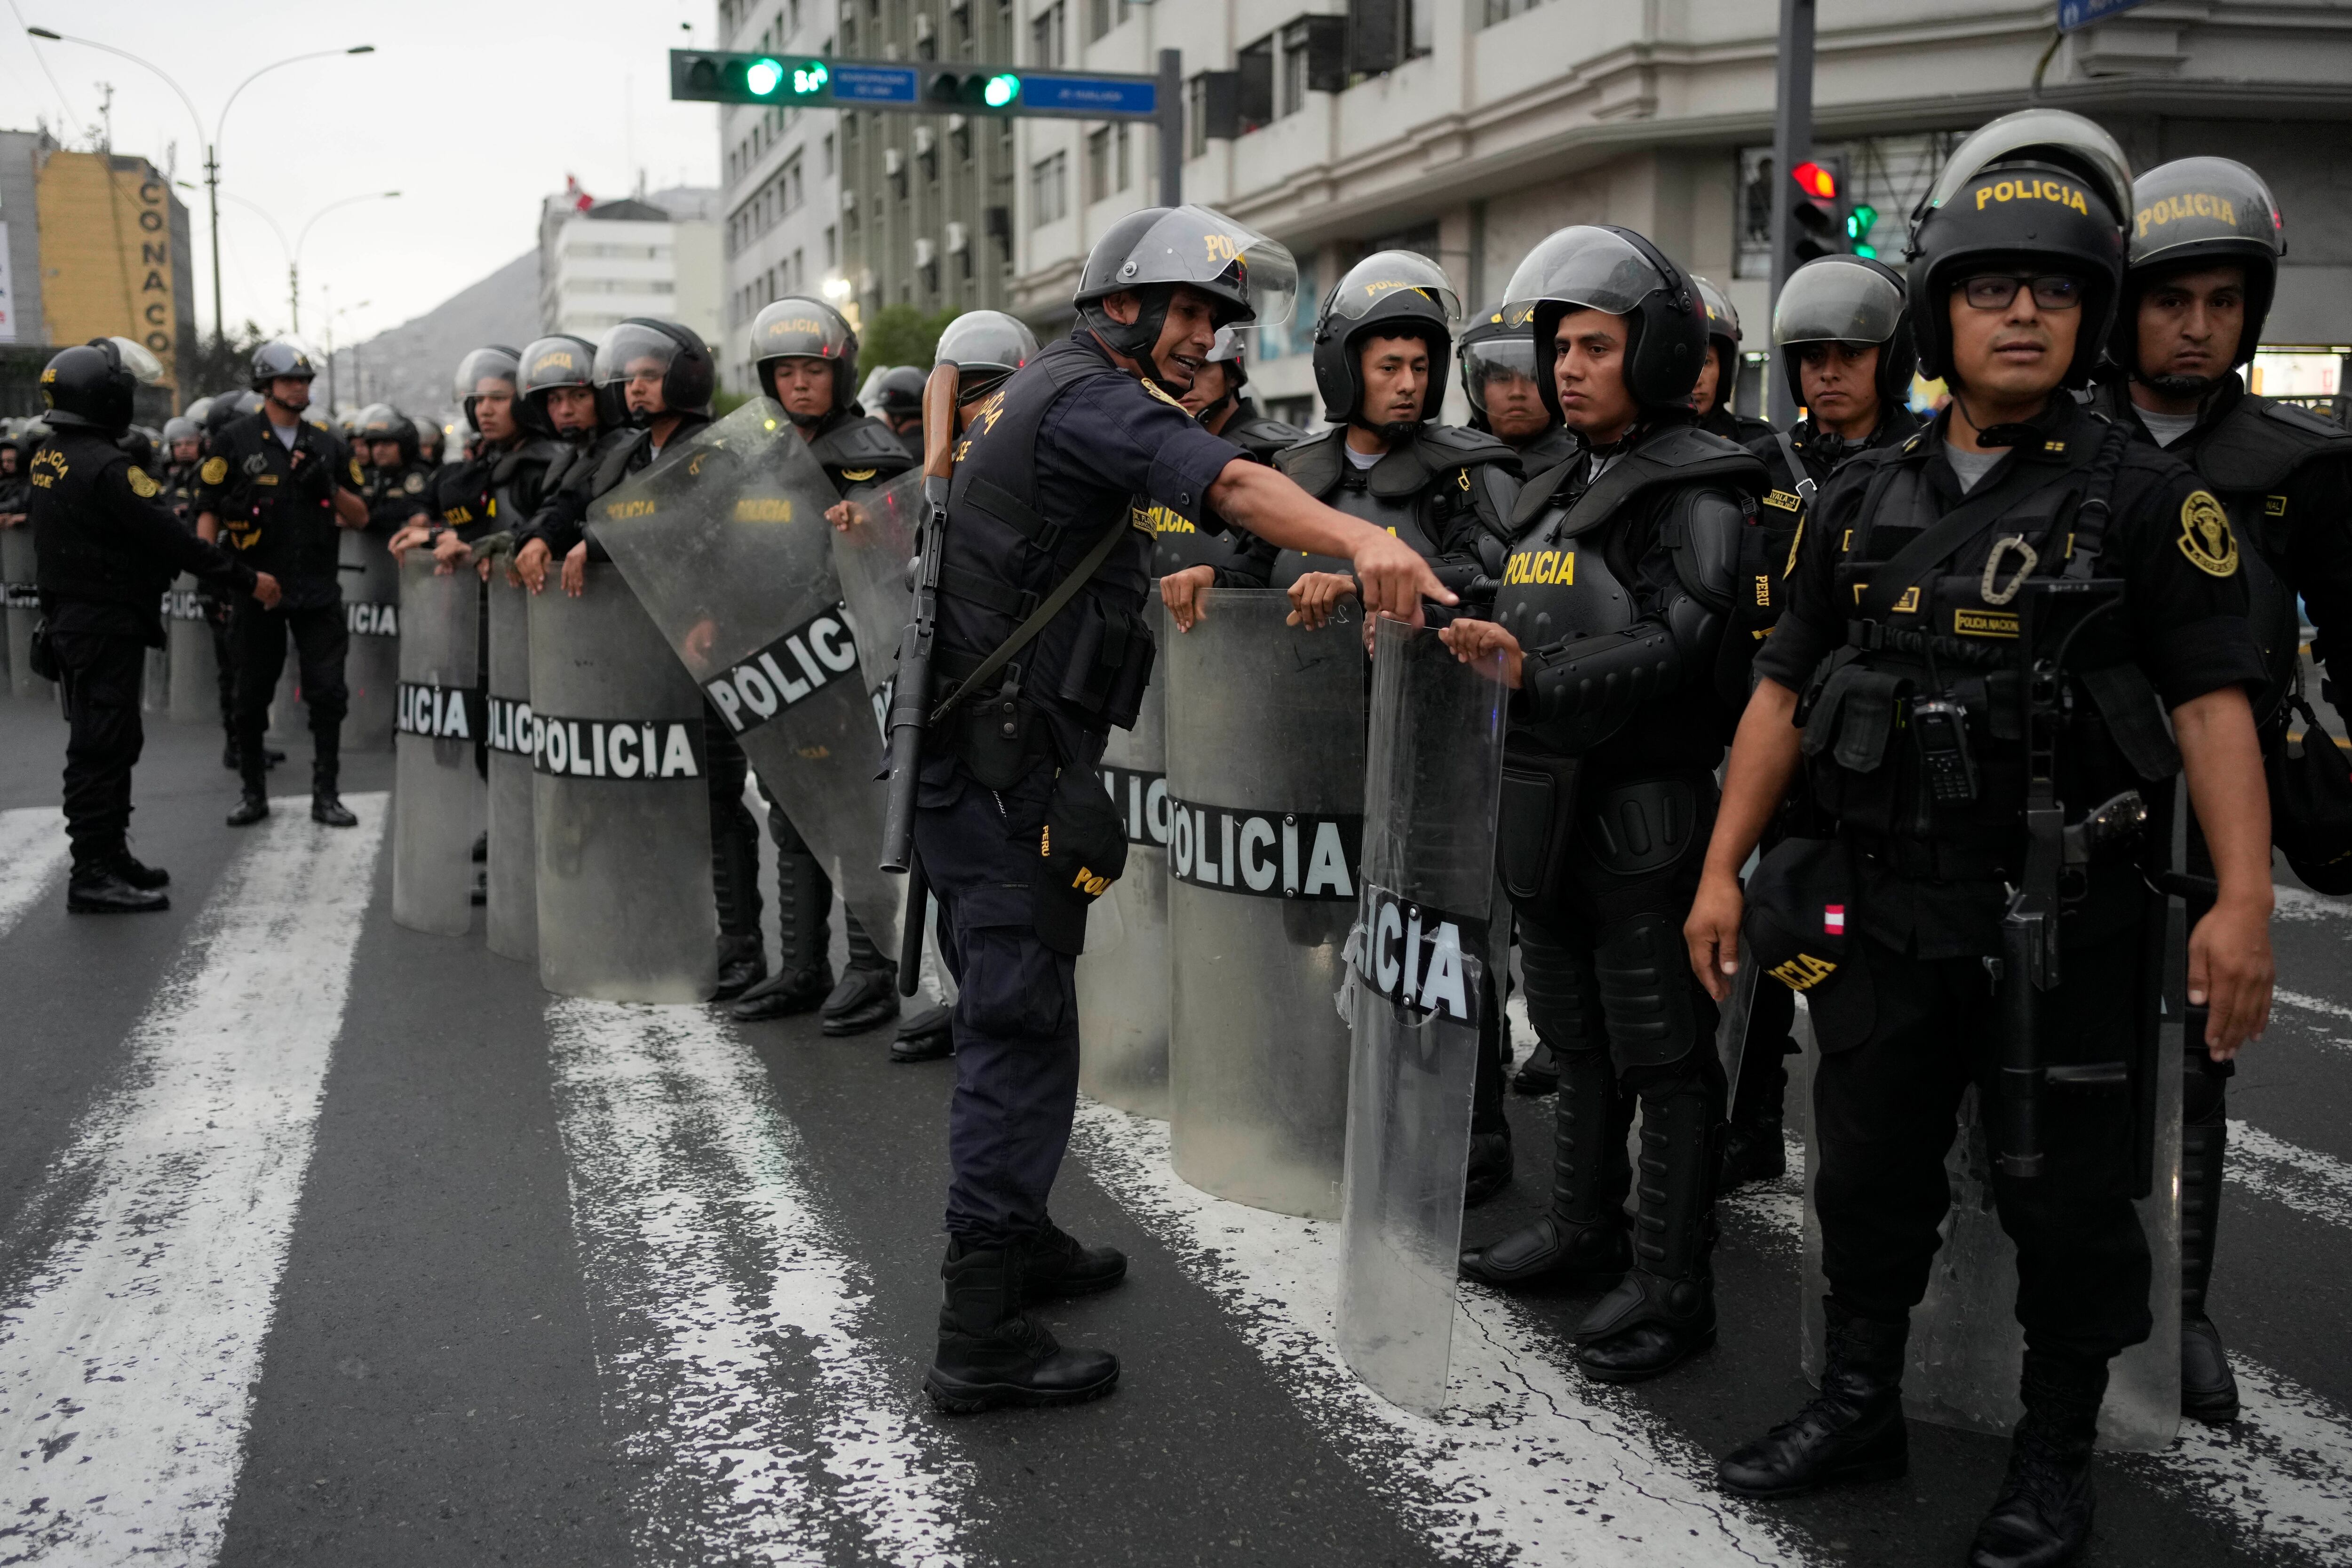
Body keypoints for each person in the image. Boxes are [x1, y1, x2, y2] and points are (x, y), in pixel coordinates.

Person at [1686, 112, 2274, 1568]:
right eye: (1991, 286)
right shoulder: (1856, 494)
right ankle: (1854, 1401)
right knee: (1868, 1167)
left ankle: (2054, 1452)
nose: (2022, 313)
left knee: (2066, 1200)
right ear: (1937, 309)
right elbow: (1779, 689)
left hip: (2066, 918)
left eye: (2056, 290)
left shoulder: (2145, 497)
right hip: (1883, 906)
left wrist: (2242, 904)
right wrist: (1719, 865)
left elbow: (2212, 710)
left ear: (2090, 316)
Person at [910, 204, 1451, 1413]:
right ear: (1122, 306)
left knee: (1034, 1019)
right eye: (1191, 312)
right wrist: (1367, 543)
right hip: (1004, 776)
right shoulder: (1089, 396)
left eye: (1218, 321)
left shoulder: (1037, 390)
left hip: (994, 767)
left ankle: (1021, 1232)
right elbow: (1239, 484)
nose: (1207, 340)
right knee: (1013, 1026)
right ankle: (979, 1325)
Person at [1444, 225, 1768, 1385]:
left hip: (1647, 809)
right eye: (1557, 347)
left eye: (1594, 345)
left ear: (1657, 346)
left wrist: (1537, 675)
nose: (1565, 368)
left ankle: (1671, 1285)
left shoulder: (1705, 483)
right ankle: (1582, 1231)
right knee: (1569, 1037)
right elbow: (1503, 598)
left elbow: (1685, 635)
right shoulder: (1554, 485)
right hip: (1548, 805)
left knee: (1663, 1055)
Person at [2087, 154, 2352, 1428]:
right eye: (2168, 299)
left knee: (2192, 1078)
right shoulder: (2061, 445)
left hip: (2210, 825)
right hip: (2071, 814)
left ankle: (2178, 1311)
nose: (2197, 327)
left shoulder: (2304, 472)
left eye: (2222, 302)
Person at [1715, 254, 1925, 1191]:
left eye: (1850, 354)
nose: (1827, 374)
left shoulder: (1924, 468)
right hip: (1771, 737)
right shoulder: (1759, 461)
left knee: (1866, 967)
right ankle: (1749, 1124)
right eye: (1810, 357)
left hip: (1875, 753)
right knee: (1766, 931)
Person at [556, 318, 770, 1000]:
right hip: (640, 650)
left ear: (684, 377)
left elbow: (702, 533)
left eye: (651, 376)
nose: (636, 388)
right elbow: (583, 510)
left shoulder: (714, 456)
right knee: (653, 798)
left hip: (704, 653)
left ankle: (741, 945)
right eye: (633, 377)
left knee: (715, 800)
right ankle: (674, 926)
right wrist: (551, 538)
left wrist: (601, 545)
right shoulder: (628, 456)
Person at [725, 297, 922, 1038]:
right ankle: (801, 964)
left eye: (812, 369)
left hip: (851, 664)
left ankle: (870, 969)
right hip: (780, 665)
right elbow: (738, 544)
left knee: (855, 817)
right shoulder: (759, 453)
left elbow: (910, 538)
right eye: (784, 371)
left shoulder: (874, 447)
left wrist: (871, 524)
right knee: (790, 815)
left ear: (840, 373)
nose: (799, 383)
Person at [30, 338, 281, 910]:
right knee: (100, 748)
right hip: (102, 624)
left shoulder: (52, 453)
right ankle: (92, 873)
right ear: (104, 398)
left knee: (112, 741)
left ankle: (111, 855)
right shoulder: (108, 466)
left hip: (79, 622)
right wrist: (247, 579)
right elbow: (175, 538)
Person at [195, 339, 370, 828]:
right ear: (266, 386)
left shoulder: (328, 443)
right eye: (291, 380)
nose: (301, 387)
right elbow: (207, 507)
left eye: (306, 380)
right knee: (250, 695)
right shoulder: (234, 440)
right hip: (256, 590)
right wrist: (211, 576)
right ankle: (253, 792)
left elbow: (360, 516)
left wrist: (327, 488)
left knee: (329, 694)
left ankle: (326, 794)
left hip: (316, 591)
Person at [1152, 325, 1301, 577]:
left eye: (1202, 368)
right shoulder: (1154, 447)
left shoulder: (1278, 455)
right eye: (1179, 368)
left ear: (1232, 375)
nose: (1186, 384)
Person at [509, 333, 612, 593]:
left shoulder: (626, 451)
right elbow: (554, 511)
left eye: (578, 396)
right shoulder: (565, 460)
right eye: (555, 400)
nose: (565, 410)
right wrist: (514, 540)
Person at [1460, 301, 1579, 478]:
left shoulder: (1581, 467)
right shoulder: (1453, 461)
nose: (1517, 392)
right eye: (1500, 378)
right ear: (1478, 386)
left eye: (1533, 378)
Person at [1691, 275, 1775, 445]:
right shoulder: (1635, 441)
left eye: (1707, 362)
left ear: (1725, 368)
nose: (1697, 381)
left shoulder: (1759, 442)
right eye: (1687, 363)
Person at [867, 364, 929, 460]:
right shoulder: (949, 442)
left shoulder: (897, 457)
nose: (886, 421)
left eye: (887, 415)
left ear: (898, 418)